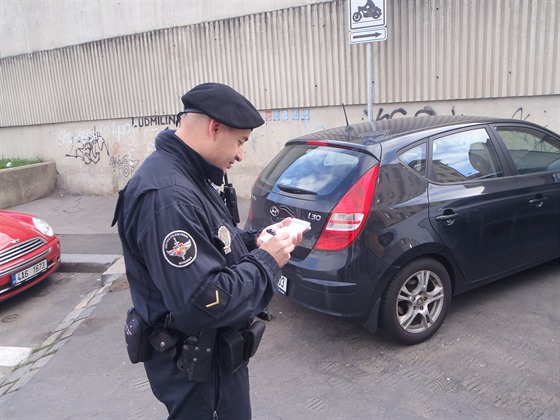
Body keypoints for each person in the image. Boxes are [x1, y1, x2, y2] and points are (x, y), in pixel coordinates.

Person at [112, 82, 301, 419]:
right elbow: (203, 302)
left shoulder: (188, 176)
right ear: (215, 127)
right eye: (241, 141)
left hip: (211, 361)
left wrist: (256, 241)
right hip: (199, 371)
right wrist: (267, 262)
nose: (242, 154)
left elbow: (214, 245)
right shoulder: (168, 196)